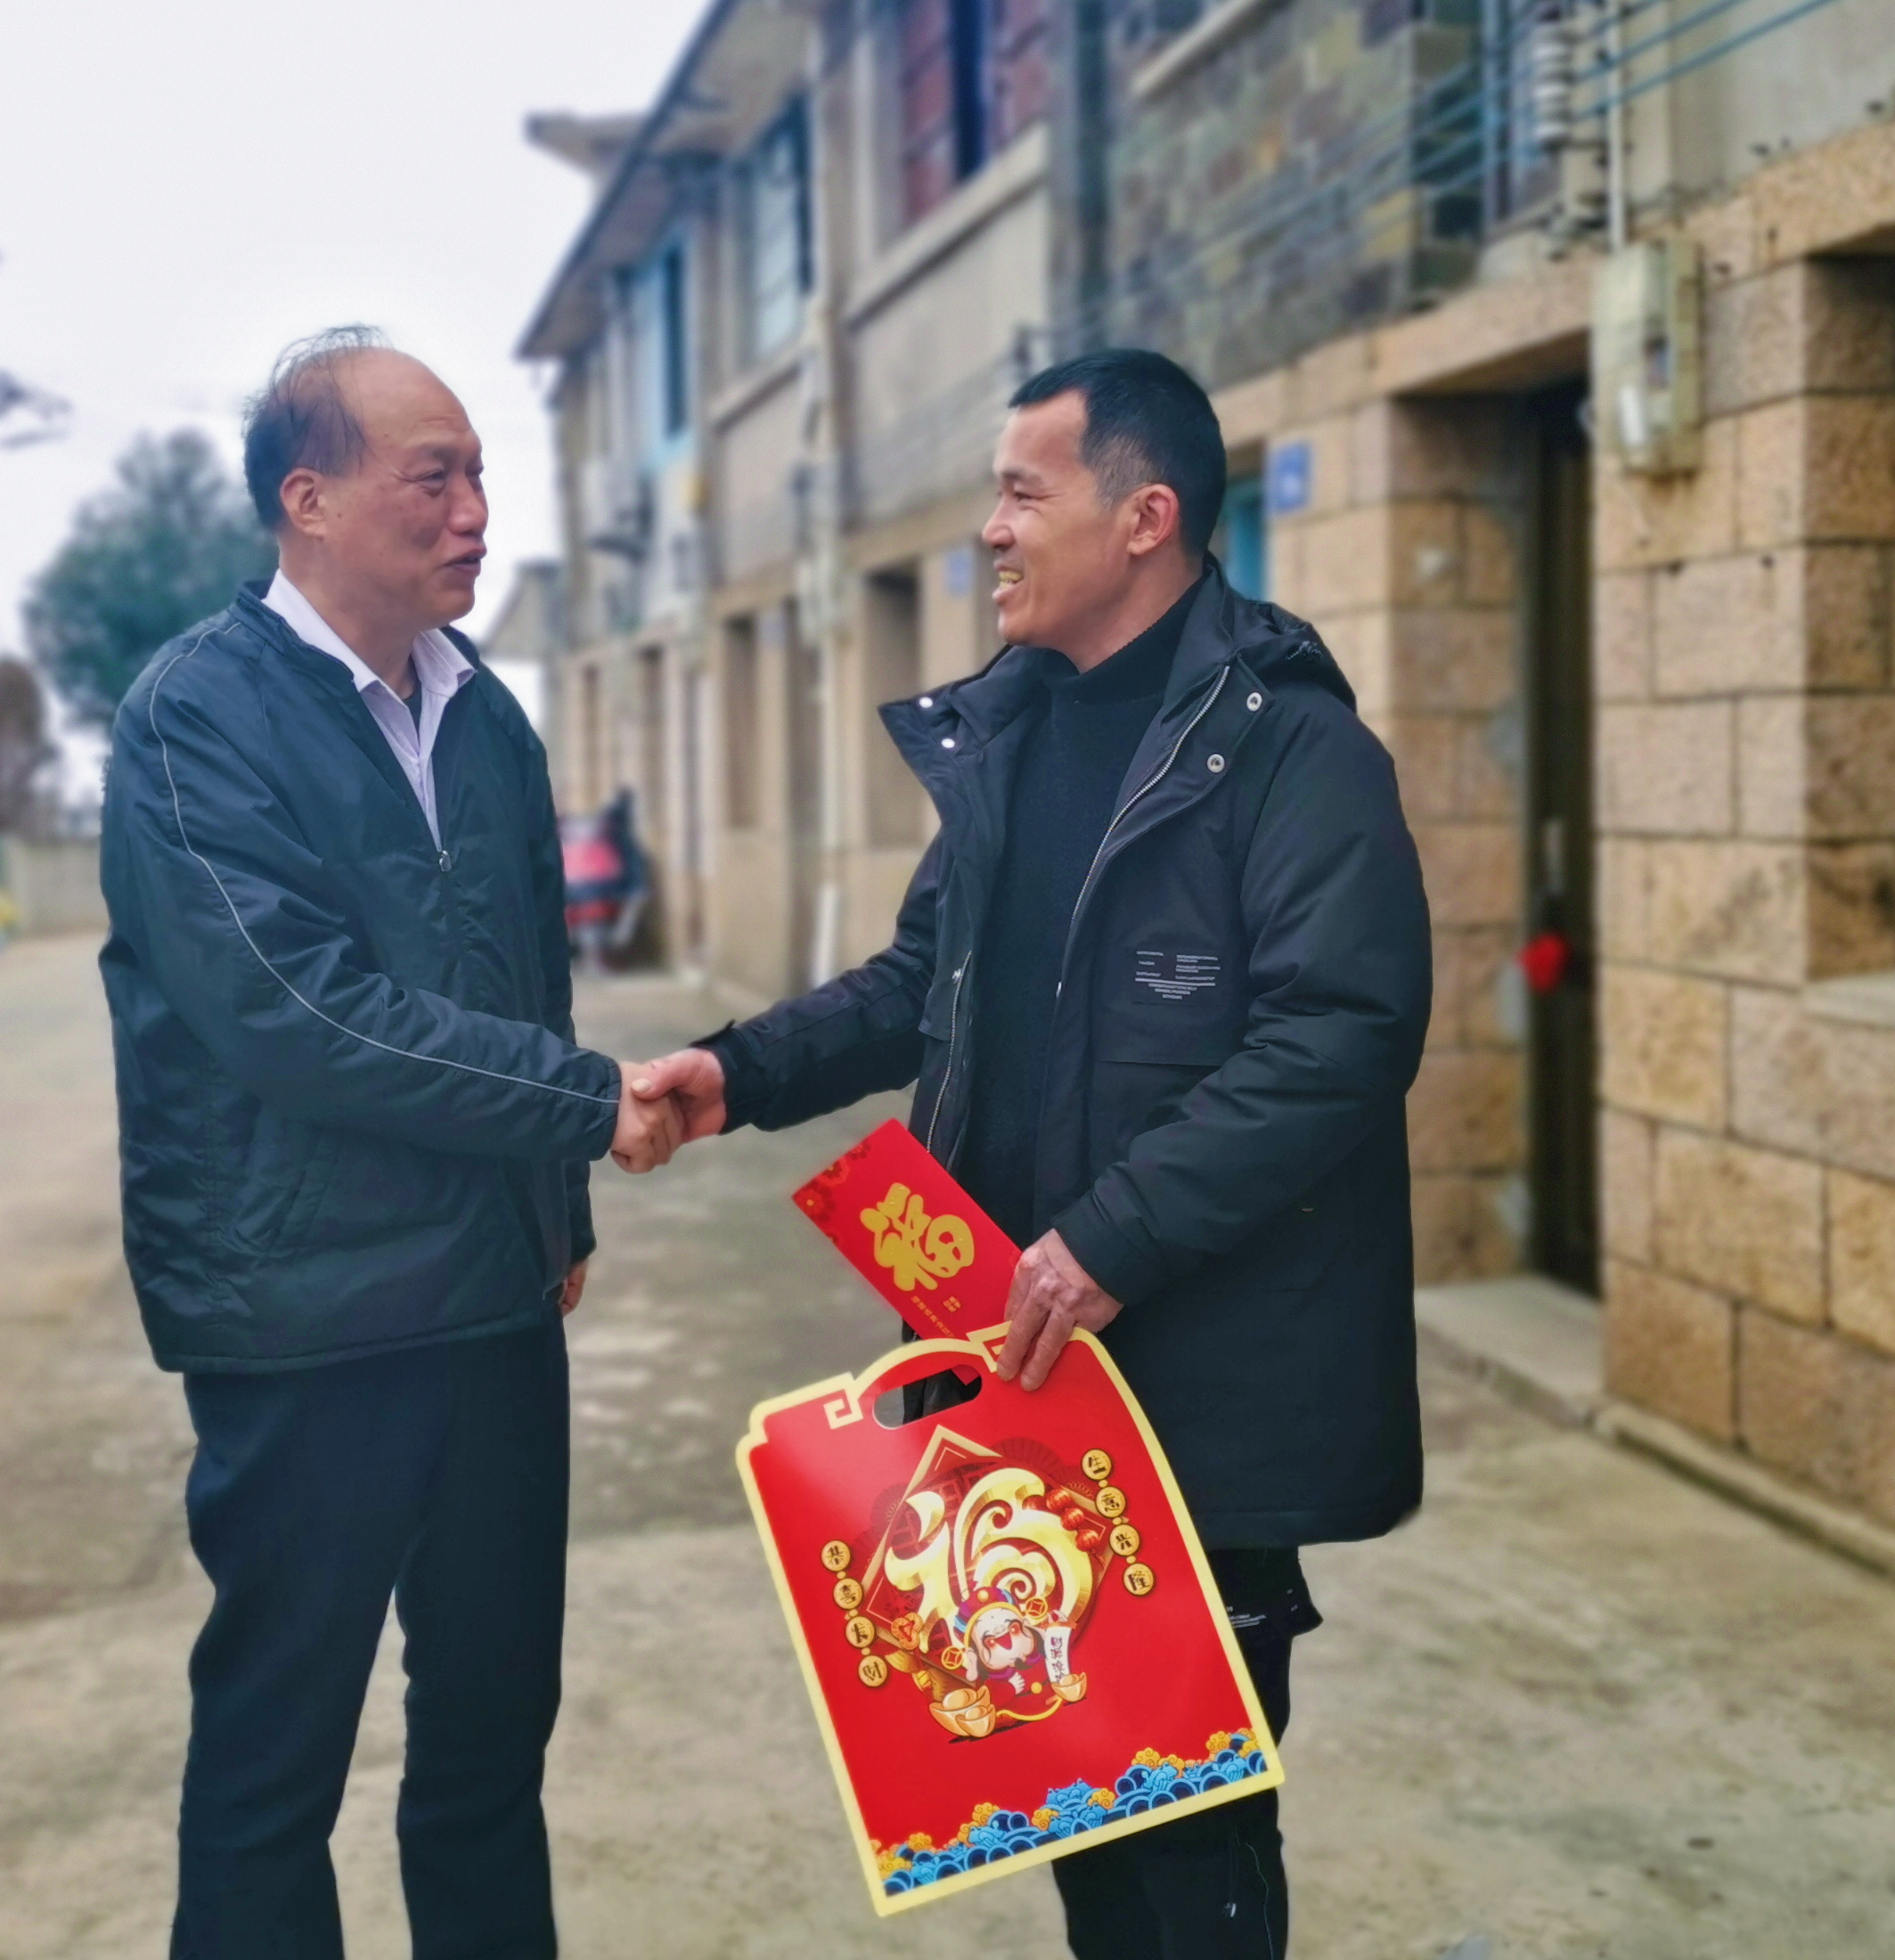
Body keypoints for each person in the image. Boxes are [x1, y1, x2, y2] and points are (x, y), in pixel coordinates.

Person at [632, 347, 1431, 1956]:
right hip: (1019, 1373)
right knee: (1079, 1800)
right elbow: (915, 984)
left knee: (1194, 1831)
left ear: (1144, 517)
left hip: (1197, 1387)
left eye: (1019, 494)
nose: (988, 531)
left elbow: (1338, 1032)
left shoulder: (1292, 753)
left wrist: (1111, 1239)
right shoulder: (1012, 739)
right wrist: (736, 1071)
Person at [98, 327, 682, 1960]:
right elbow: (295, 1010)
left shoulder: (484, 714)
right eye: (434, 477)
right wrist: (584, 1105)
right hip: (309, 1312)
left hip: (492, 1304)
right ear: (309, 500)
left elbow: (525, 968)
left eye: (480, 474)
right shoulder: (192, 719)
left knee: (492, 1737)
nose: (475, 511)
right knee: (275, 1760)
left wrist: (555, 1216)